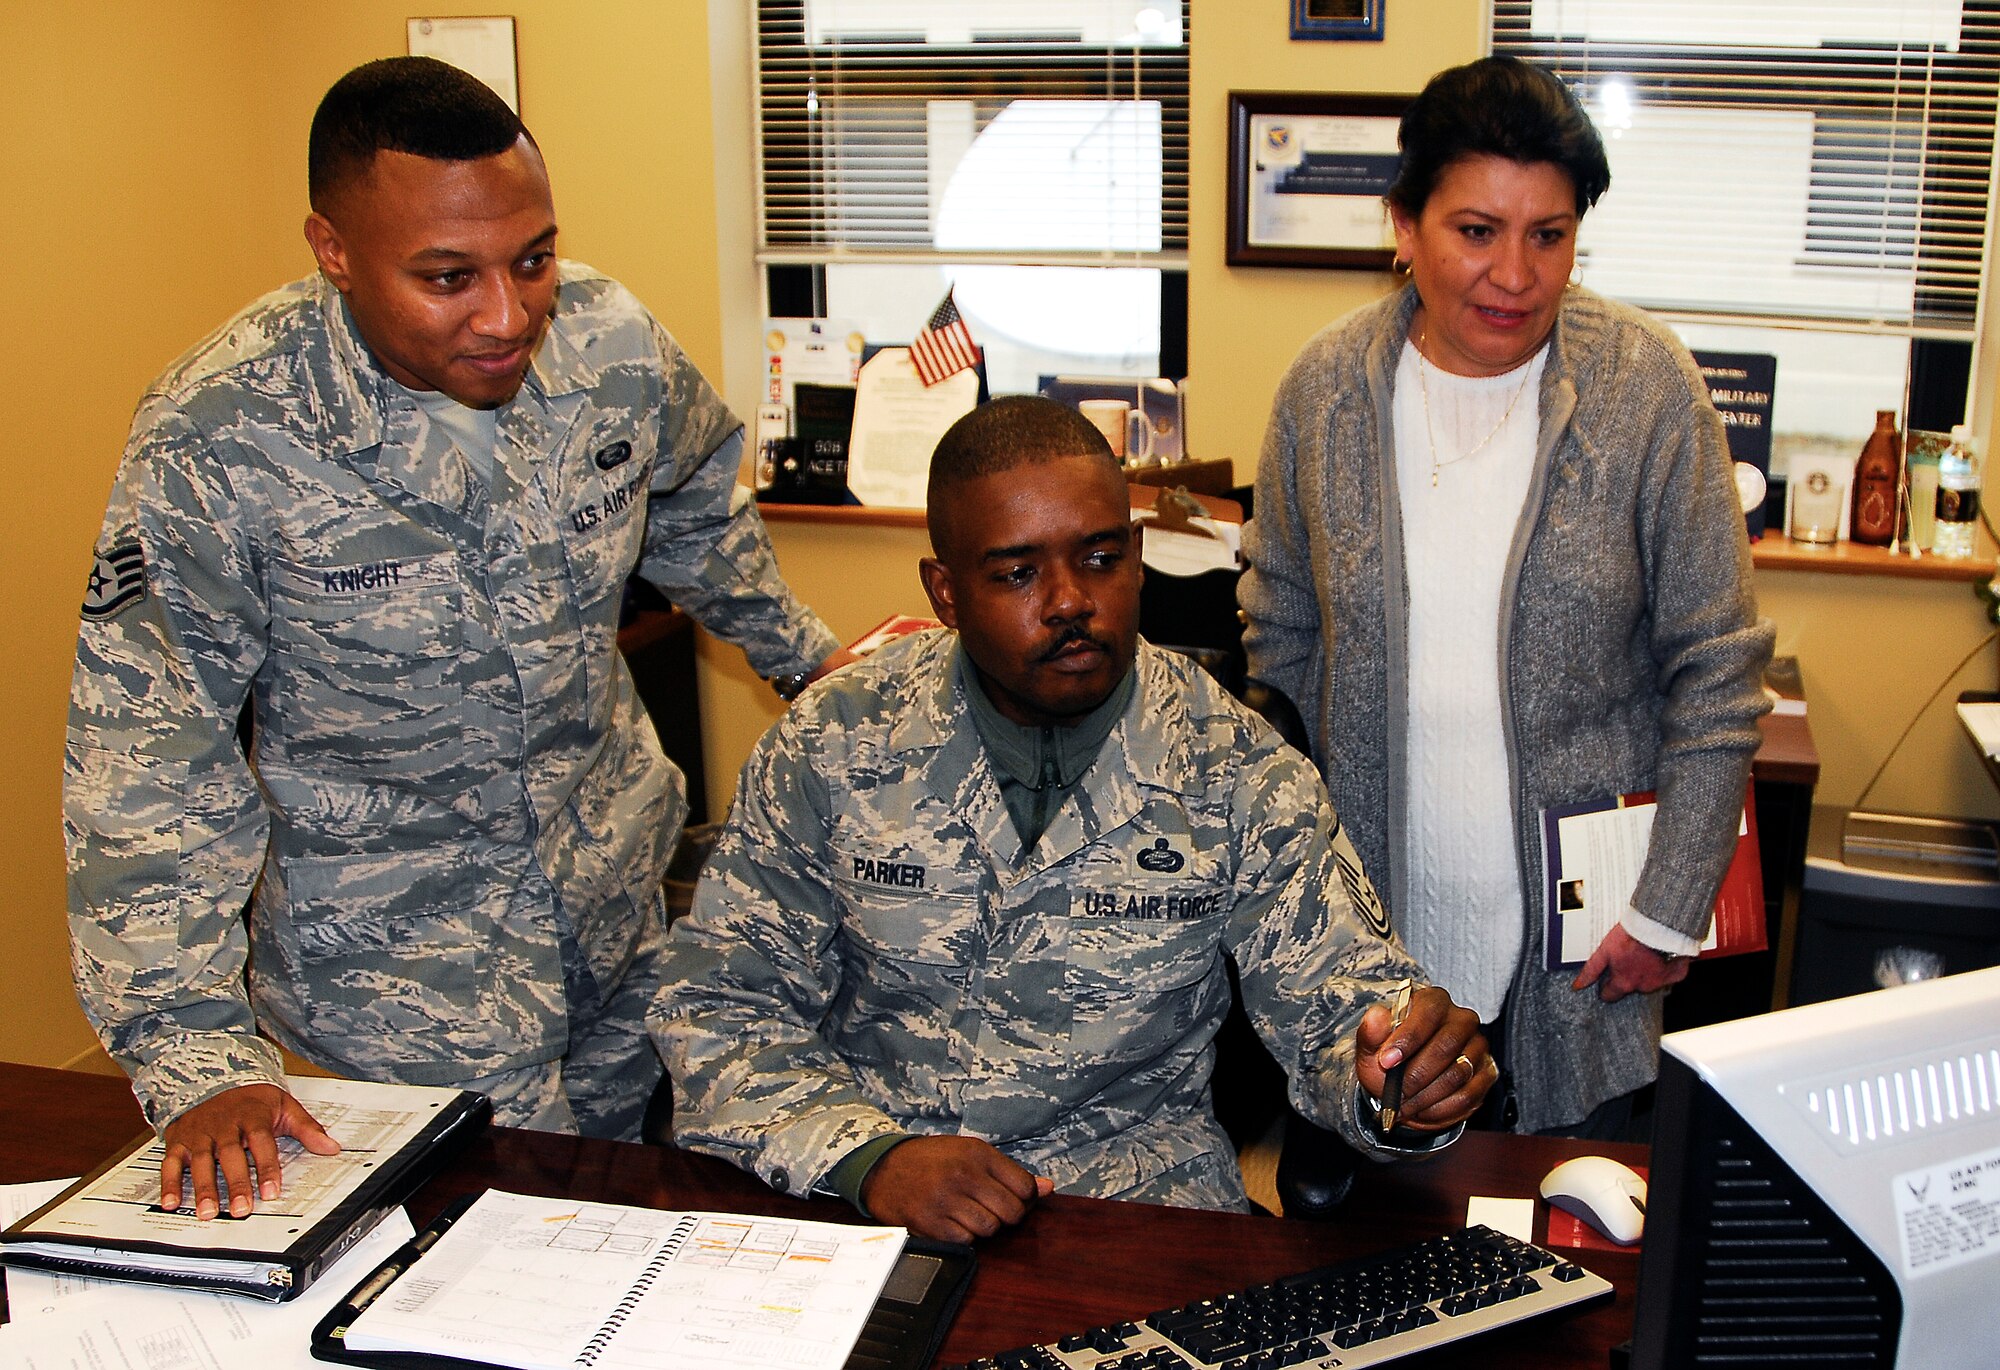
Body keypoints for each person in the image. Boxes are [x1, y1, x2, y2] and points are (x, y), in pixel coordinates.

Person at [65, 56, 844, 1221]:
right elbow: (146, 751)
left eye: (532, 256)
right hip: (396, 984)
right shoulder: (219, 437)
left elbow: (689, 493)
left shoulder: (608, 344)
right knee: (467, 1274)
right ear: (333, 251)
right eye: (447, 276)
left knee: (635, 1222)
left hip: (616, 913)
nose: (508, 311)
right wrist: (198, 1055)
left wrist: (799, 657)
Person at [652, 396, 1494, 1243]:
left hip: (1132, 1211)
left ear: (1135, 557)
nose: (1069, 602)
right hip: (863, 1201)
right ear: (945, 591)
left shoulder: (1238, 768)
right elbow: (715, 1004)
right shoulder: (835, 742)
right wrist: (870, 1159)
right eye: (1017, 573)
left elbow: (1347, 1009)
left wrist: (1405, 1077)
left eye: (1098, 558)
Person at [1239, 56, 1774, 1140]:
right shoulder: (1323, 389)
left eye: (1549, 234)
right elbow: (1279, 636)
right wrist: (1303, 910)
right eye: (1475, 230)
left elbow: (1716, 673)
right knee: (1381, 1276)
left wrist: (1668, 903)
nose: (1514, 274)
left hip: (1585, 958)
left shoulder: (1645, 386)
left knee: (1573, 1271)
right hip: (1368, 949)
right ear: (1402, 225)